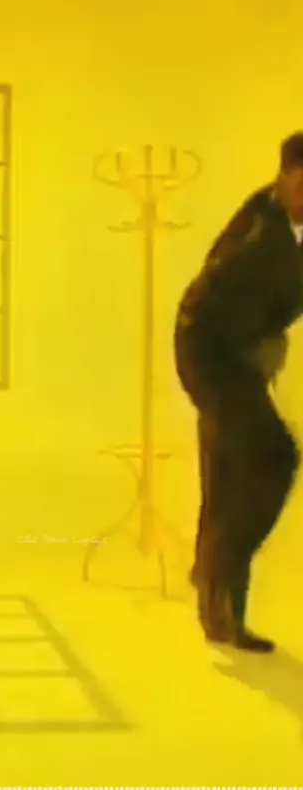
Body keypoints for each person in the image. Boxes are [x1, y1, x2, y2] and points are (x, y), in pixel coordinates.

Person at [174, 133, 303, 653]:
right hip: (208, 349)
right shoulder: (262, 238)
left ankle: (221, 611)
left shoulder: (280, 217)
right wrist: (262, 343)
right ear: (284, 178)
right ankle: (215, 568)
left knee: (227, 473)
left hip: (233, 347)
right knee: (273, 458)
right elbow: (218, 299)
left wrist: (267, 339)